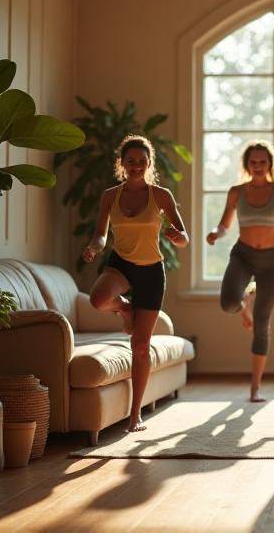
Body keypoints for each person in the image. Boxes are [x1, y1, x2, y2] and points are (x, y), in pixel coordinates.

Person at [82, 134, 189, 433]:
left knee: (140, 347)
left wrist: (176, 236)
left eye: (142, 161)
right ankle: (125, 309)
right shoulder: (109, 196)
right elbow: (101, 235)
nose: (136, 166)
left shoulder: (161, 196)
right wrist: (94, 247)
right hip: (121, 264)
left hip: (152, 272)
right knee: (98, 298)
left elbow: (184, 237)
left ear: (149, 163)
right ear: (122, 164)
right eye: (131, 161)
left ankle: (134, 415)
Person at [206, 140, 274, 403]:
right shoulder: (236, 192)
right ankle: (244, 303)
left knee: (262, 324)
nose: (258, 166)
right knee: (228, 303)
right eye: (254, 162)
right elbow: (225, 224)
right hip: (243, 255)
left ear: (269, 164)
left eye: (263, 162)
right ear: (247, 165)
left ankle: (255, 388)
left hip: (271, 261)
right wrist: (216, 234)